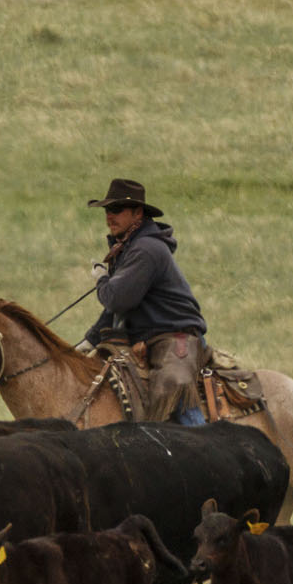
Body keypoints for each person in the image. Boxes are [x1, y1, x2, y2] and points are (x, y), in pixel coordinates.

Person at [77, 178, 209, 424]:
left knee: (174, 385)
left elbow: (117, 300)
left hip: (175, 336)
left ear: (137, 213)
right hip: (148, 337)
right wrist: (91, 339)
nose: (109, 217)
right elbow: (118, 309)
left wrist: (102, 281)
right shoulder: (129, 248)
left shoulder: (145, 250)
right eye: (107, 210)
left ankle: (203, 447)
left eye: (116, 210)